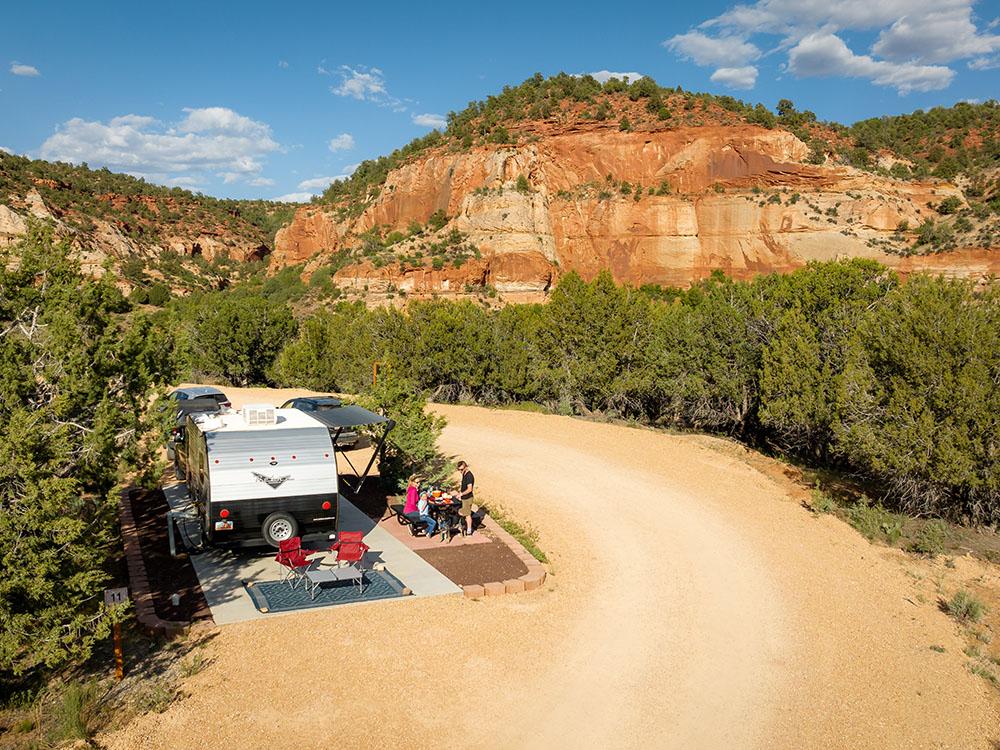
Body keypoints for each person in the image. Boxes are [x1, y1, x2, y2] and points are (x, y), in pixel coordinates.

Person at [456, 460, 475, 536]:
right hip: (464, 497)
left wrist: (461, 494)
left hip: (467, 498)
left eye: (462, 469)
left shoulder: (469, 476)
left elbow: (469, 489)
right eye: (459, 469)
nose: (460, 471)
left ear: (466, 467)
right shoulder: (464, 473)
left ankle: (469, 530)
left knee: (467, 514)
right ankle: (464, 526)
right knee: (464, 512)